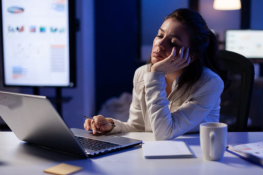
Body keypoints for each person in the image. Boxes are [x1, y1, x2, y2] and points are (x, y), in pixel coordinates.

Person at [84, 8, 228, 140]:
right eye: (160, 35)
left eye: (173, 43)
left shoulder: (209, 83)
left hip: (197, 157)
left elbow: (164, 132)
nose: (160, 44)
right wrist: (111, 125)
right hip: (156, 155)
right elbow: (138, 127)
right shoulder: (142, 73)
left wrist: (156, 75)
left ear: (191, 55)